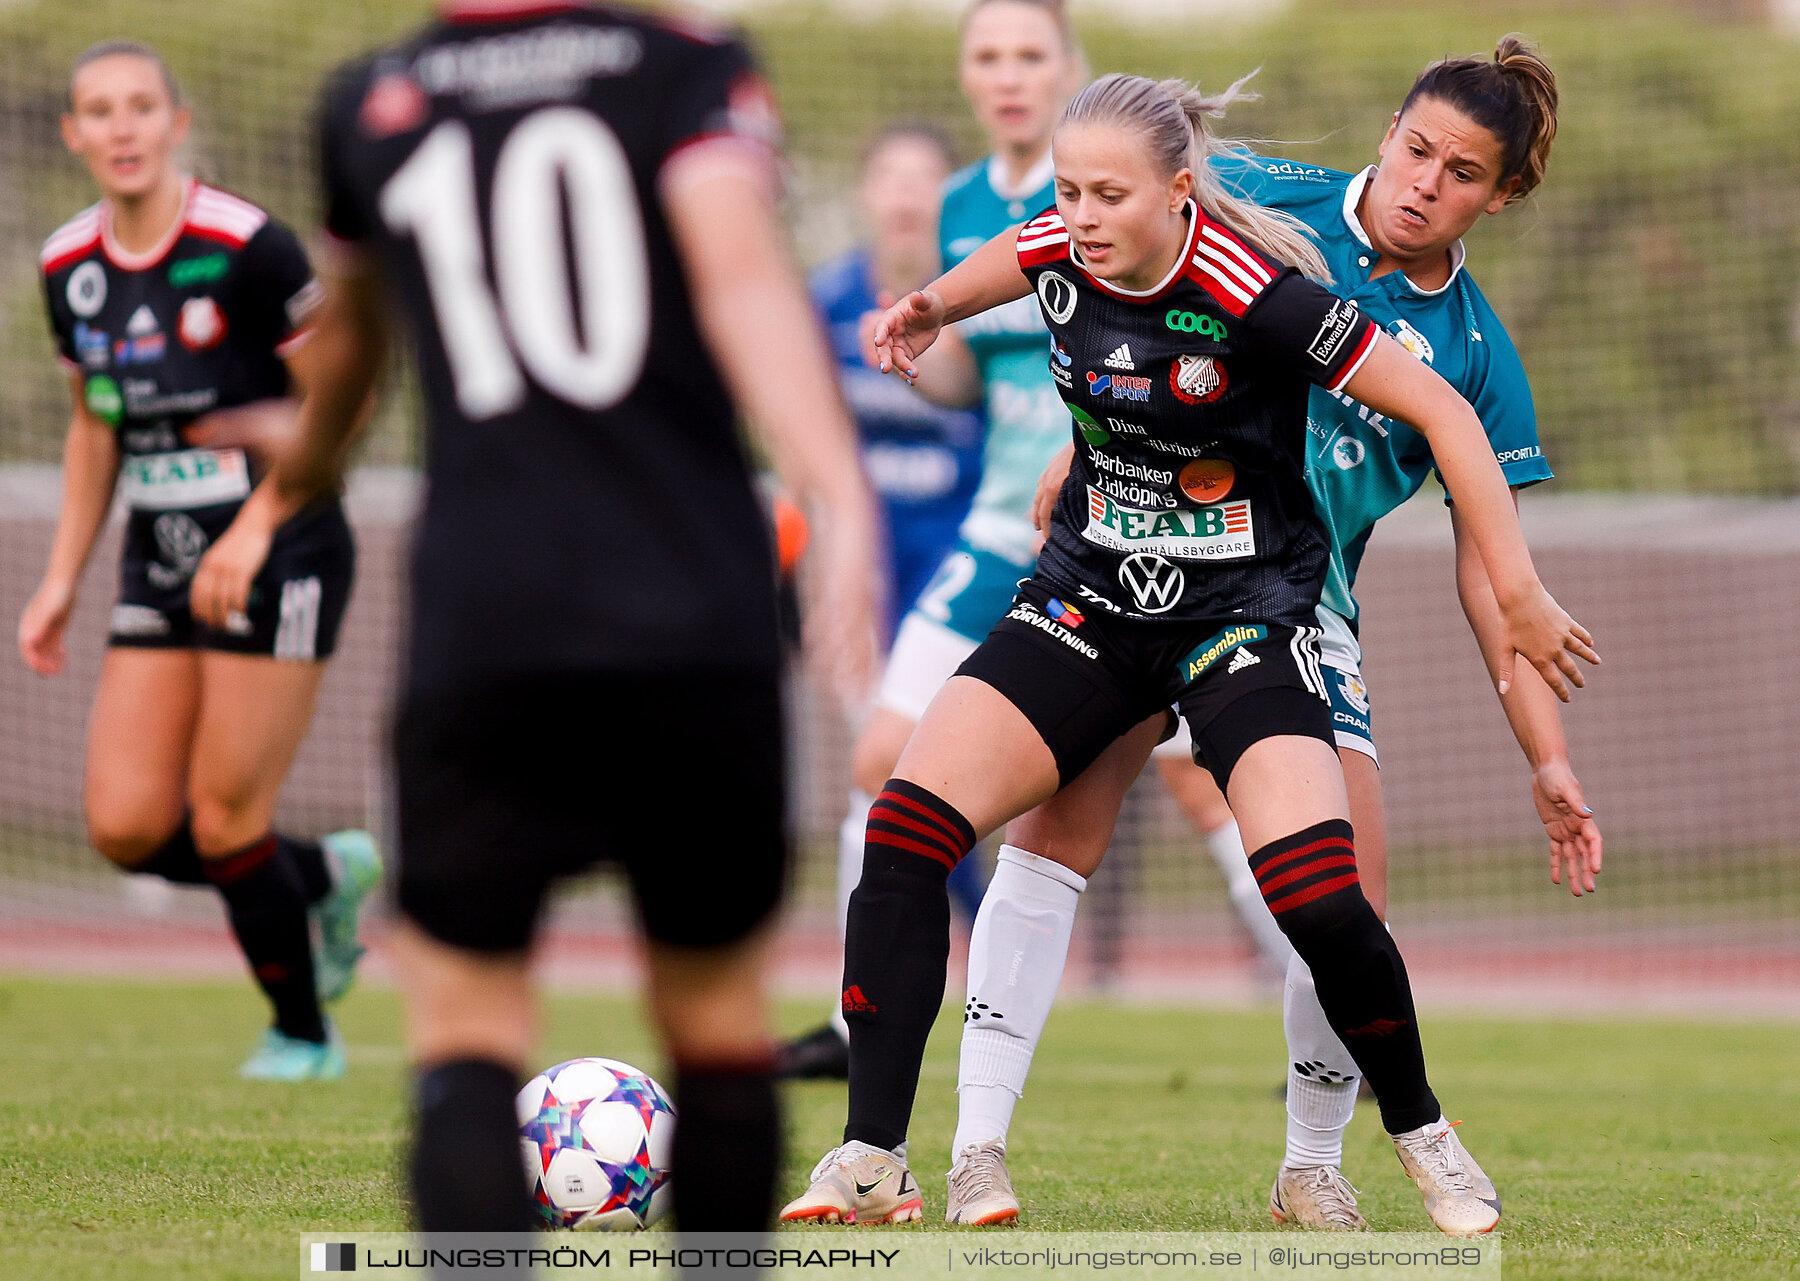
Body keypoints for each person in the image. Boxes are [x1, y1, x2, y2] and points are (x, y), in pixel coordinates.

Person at [781, 71, 1597, 1238]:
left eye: (1460, 171)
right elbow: (1026, 248)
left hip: (1256, 610)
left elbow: (1451, 429)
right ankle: (891, 1157)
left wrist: (1523, 606)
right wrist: (932, 307)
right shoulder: (1109, 220)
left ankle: (1401, 1137)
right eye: (1071, 191)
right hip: (1096, 598)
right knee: (916, 820)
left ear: (1177, 192)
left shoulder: (1269, 283)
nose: (1083, 213)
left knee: (1324, 892)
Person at [283, 0, 879, 1240]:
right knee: (716, 1021)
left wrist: (290, 482)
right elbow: (744, 283)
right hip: (697, 614)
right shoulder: (682, 66)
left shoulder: (373, 101)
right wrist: (839, 492)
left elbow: (347, 348)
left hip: (486, 616)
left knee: (463, 1026)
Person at [20, 40, 379, 1083]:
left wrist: (258, 525)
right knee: (126, 826)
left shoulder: (248, 246)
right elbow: (98, 428)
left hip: (288, 542)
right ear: (74, 133)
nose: (122, 126)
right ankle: (322, 872)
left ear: (177, 124)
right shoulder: (66, 268)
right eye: (100, 110)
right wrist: (60, 580)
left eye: (141, 106)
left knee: (226, 819)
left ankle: (303, 1034)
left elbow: (339, 404)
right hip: (161, 556)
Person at [779, 0, 1085, 1083]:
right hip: (1000, 530)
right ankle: (859, 1017)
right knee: (879, 756)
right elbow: (970, 382)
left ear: (1068, 67)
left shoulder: (1103, 185)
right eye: (989, 56)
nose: (1009, 75)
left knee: (1211, 794)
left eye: (1030, 55)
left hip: (1119, 531)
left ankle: (1342, 1027)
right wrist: (926, 325)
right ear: (968, 75)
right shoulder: (961, 205)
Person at [780, 126, 987, 1082]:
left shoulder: (976, 288)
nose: (905, 196)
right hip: (862, 570)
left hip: (968, 565)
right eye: (889, 177)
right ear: (866, 191)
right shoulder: (822, 298)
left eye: (923, 180)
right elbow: (795, 432)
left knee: (930, 783)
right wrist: (822, 548)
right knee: (886, 772)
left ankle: (970, 980)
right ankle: (859, 1003)